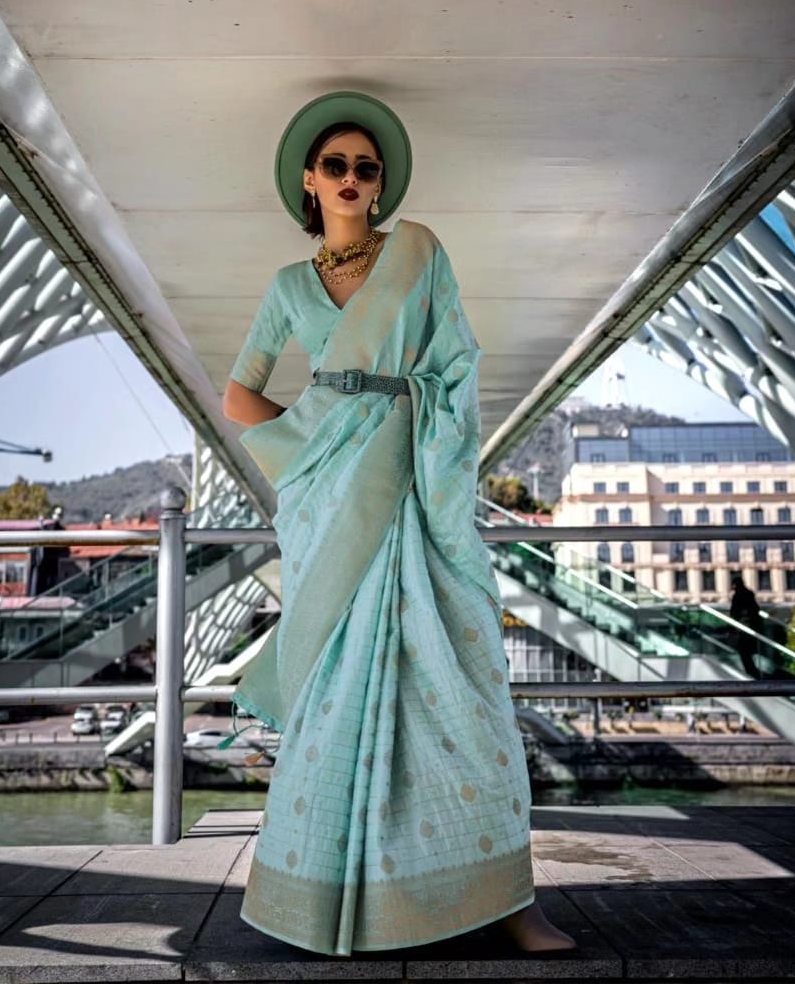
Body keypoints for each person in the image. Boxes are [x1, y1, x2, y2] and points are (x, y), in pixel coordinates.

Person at [220, 92, 577, 958]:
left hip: (416, 491)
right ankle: (326, 902)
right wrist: (312, 440)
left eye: (364, 168)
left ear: (379, 186)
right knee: (335, 697)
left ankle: (505, 899)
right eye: (334, 165)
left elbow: (456, 367)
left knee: (466, 691)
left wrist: (401, 412)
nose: (350, 178)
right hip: (330, 504)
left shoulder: (417, 254)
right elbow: (238, 393)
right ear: (310, 182)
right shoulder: (287, 288)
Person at [729, 575, 763, 678]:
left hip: (744, 626)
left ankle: (751, 671)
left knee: (744, 650)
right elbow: (755, 608)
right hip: (752, 625)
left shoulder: (738, 595)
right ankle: (753, 671)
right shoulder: (749, 593)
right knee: (749, 649)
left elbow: (734, 612)